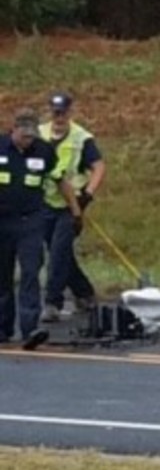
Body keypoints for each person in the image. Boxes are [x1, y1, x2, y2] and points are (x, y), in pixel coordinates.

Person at [0, 108, 83, 349]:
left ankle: (30, 329)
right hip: (2, 221)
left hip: (31, 221)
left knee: (30, 272)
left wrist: (75, 210)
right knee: (2, 276)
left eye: (31, 136)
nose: (28, 140)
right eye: (24, 135)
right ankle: (3, 327)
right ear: (13, 130)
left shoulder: (44, 151)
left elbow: (61, 181)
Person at [39, 92, 105, 322]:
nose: (59, 117)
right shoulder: (40, 134)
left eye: (63, 112)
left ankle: (52, 302)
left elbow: (98, 167)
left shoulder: (81, 138)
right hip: (43, 202)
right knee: (60, 251)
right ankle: (84, 293)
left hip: (71, 204)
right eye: (55, 112)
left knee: (58, 252)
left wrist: (87, 194)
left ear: (70, 113)